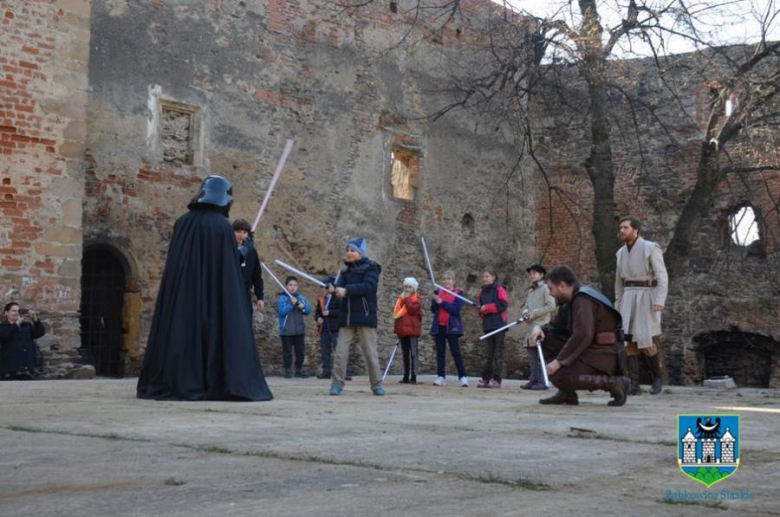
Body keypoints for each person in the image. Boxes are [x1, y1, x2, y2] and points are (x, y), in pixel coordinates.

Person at [137, 175, 273, 401]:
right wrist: (245, 250)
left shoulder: (182, 223)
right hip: (211, 298)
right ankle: (209, 381)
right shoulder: (221, 227)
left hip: (182, 295)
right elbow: (228, 268)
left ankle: (174, 380)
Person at [530, 265, 630, 407]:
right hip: (592, 352)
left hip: (605, 355)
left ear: (562, 286)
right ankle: (567, 394)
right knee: (546, 338)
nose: (550, 294)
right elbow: (556, 325)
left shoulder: (583, 300)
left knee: (558, 375)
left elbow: (583, 335)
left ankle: (614, 383)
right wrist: (539, 328)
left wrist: (558, 362)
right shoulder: (570, 302)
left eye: (551, 289)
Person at [615, 216, 669, 395]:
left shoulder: (650, 248)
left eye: (625, 227)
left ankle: (657, 378)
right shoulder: (620, 253)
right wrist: (618, 303)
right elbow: (619, 282)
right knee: (628, 340)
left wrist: (659, 300)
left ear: (635, 229)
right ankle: (634, 384)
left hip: (647, 296)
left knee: (645, 340)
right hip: (628, 297)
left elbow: (662, 276)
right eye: (620, 228)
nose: (621, 230)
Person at [328, 237, 385, 396]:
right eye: (348, 250)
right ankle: (337, 384)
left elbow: (369, 286)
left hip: (365, 317)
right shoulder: (345, 272)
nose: (349, 253)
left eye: (352, 250)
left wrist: (347, 290)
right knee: (340, 353)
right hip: (347, 317)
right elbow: (338, 287)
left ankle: (377, 385)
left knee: (370, 353)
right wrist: (333, 289)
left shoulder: (371, 268)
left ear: (360, 253)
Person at [519, 264, 556, 390]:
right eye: (530, 274)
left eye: (534, 273)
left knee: (541, 354)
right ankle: (534, 378)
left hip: (541, 325)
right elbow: (525, 305)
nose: (531, 276)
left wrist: (534, 314)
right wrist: (525, 313)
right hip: (530, 326)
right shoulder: (530, 290)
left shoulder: (546, 288)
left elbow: (551, 306)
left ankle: (542, 380)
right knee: (531, 353)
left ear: (541, 275)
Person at [430, 270, 469, 387]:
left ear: (453, 281)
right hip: (439, 326)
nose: (447, 281)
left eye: (449, 279)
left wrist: (441, 302)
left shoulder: (458, 294)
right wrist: (435, 300)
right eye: (445, 279)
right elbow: (433, 309)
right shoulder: (439, 292)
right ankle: (440, 376)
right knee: (440, 352)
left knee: (455, 352)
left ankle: (463, 377)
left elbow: (455, 310)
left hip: (452, 327)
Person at [477, 269, 509, 389]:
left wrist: (487, 308)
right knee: (488, 354)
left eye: (487, 276)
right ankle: (486, 378)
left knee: (498, 354)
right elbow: (481, 310)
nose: (485, 278)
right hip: (488, 326)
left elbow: (503, 305)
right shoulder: (482, 292)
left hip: (499, 325)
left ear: (493, 277)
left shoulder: (499, 289)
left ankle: (496, 379)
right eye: (483, 276)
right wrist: (481, 310)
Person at [277, 276, 312, 379]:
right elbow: (282, 312)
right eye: (290, 285)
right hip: (286, 331)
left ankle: (299, 369)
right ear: (286, 286)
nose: (293, 287)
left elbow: (308, 311)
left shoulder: (301, 298)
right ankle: (288, 370)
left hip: (299, 330)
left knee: (300, 351)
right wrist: (292, 304)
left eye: (295, 285)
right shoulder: (282, 298)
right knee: (287, 352)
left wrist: (302, 307)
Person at [0, 302, 45, 380]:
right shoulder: (3, 327)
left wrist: (35, 320)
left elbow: (39, 333)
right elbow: (4, 336)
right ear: (6, 313)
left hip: (27, 369)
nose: (16, 313)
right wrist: (16, 324)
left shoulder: (26, 326)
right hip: (9, 370)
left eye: (18, 311)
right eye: (13, 311)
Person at [233, 219, 265, 313]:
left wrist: (260, 296)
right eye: (238, 232)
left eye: (244, 232)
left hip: (245, 294)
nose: (241, 235)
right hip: (228, 294)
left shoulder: (251, 252)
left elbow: (256, 274)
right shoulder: (226, 250)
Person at [394, 277, 422, 384]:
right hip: (403, 329)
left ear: (413, 288)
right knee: (405, 353)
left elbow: (411, 309)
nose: (407, 289)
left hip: (412, 330)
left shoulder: (416, 299)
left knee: (413, 353)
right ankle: (405, 375)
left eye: (409, 287)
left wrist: (407, 299)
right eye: (405, 287)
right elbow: (398, 314)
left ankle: (414, 376)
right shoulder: (400, 299)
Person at [315, 277, 340, 379]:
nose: (325, 290)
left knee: (339, 350)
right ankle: (327, 371)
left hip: (335, 328)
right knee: (325, 351)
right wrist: (318, 318)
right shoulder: (321, 299)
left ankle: (344, 372)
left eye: (326, 287)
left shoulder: (338, 298)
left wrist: (330, 312)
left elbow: (341, 312)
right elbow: (317, 313)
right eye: (323, 288)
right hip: (324, 328)